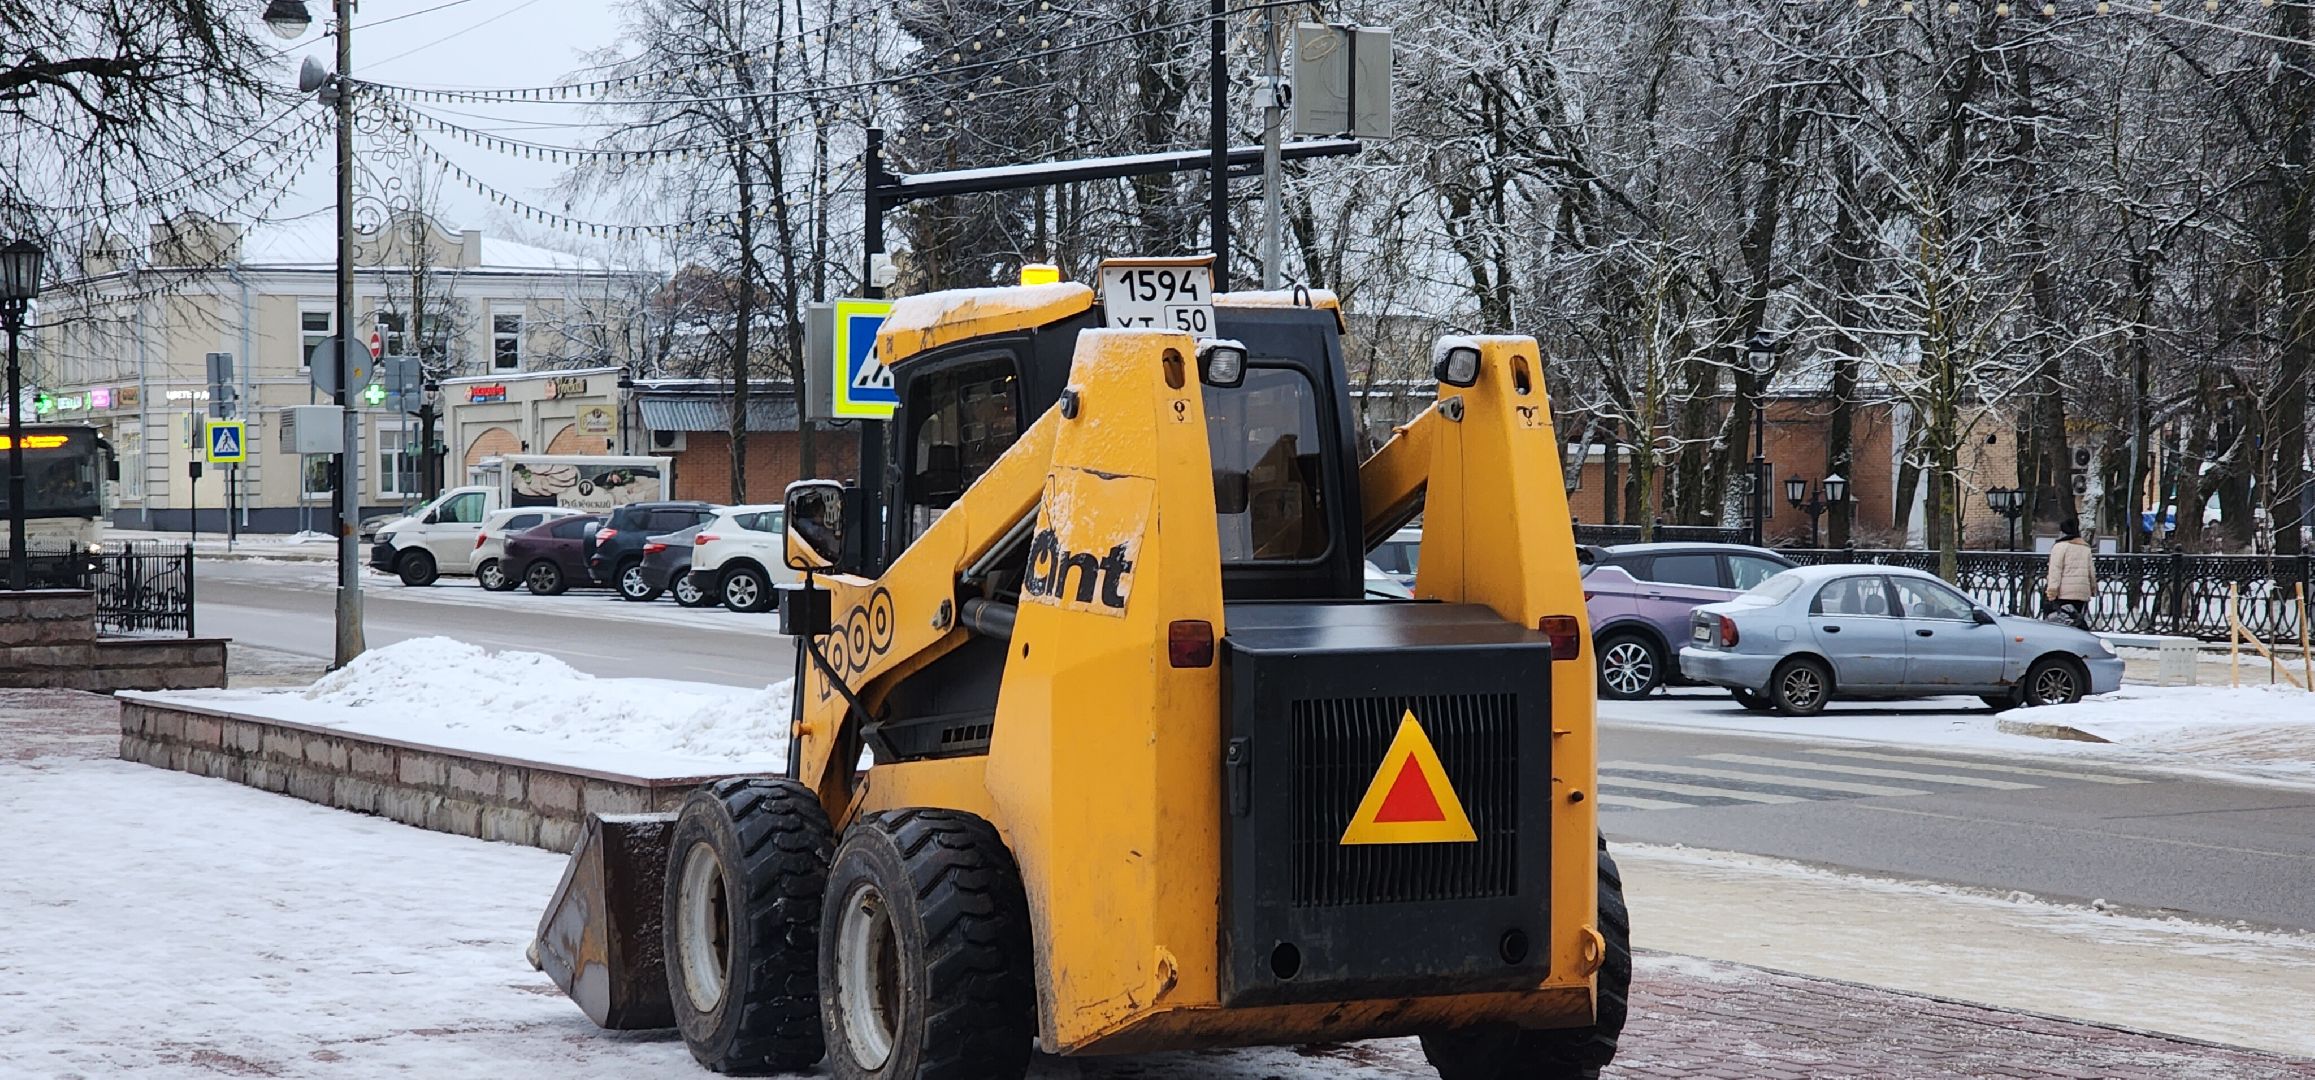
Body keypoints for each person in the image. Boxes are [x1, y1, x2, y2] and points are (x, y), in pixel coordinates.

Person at [2044, 518, 2096, 629]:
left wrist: (2052, 591)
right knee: (2076, 618)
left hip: (2064, 592)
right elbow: (2091, 571)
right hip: (2081, 592)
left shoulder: (2060, 547)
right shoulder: (2085, 547)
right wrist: (2092, 588)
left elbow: (2055, 570)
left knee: (2063, 622)